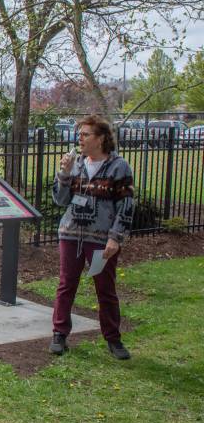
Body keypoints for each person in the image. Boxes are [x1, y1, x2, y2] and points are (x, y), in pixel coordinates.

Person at [50, 114, 136, 360]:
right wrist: (64, 174)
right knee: (67, 284)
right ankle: (59, 334)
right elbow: (60, 200)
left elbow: (126, 205)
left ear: (100, 139)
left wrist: (115, 237)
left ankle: (113, 339)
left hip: (100, 239)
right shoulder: (76, 163)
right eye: (80, 134)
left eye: (85, 134)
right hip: (71, 235)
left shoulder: (118, 167)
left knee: (105, 288)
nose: (80, 138)